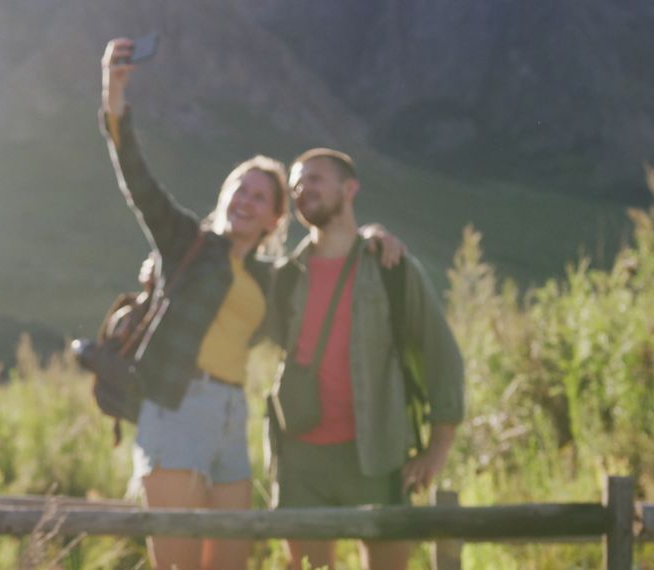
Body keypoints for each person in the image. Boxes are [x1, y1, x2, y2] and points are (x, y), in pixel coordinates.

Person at [99, 38, 402, 570]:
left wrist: (370, 235)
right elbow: (137, 178)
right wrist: (115, 94)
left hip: (232, 414)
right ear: (224, 198)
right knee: (178, 563)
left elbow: (329, 262)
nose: (245, 201)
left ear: (273, 221)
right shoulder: (185, 242)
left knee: (230, 561)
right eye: (239, 190)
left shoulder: (272, 277)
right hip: (174, 406)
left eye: (259, 197)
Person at [269, 148, 465, 570]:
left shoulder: (391, 267)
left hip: (377, 451)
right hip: (300, 459)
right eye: (297, 184)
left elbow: (442, 353)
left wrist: (438, 448)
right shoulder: (287, 275)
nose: (304, 190)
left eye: (315, 179)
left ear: (350, 188)